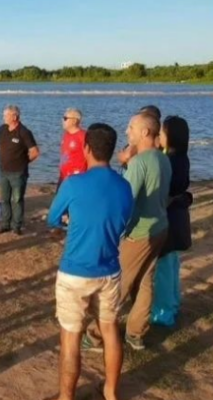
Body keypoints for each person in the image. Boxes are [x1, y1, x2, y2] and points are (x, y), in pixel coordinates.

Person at [47, 124, 134, 400]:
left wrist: (70, 221)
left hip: (75, 271)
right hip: (109, 269)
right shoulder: (124, 186)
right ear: (111, 151)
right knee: (109, 330)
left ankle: (66, 397)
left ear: (86, 148)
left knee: (71, 337)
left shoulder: (73, 184)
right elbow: (125, 223)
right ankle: (111, 392)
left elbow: (52, 218)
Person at [84, 113, 171, 352]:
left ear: (145, 132)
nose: (127, 132)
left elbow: (124, 200)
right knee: (144, 282)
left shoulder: (140, 162)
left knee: (118, 286)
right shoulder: (163, 159)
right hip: (160, 228)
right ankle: (136, 334)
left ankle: (95, 336)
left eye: (131, 127)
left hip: (139, 233)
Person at [151, 116, 192, 326]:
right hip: (178, 219)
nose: (159, 136)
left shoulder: (170, 160)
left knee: (165, 268)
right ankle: (173, 304)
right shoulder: (181, 157)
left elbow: (165, 191)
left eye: (163, 133)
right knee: (172, 264)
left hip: (169, 220)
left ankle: (164, 313)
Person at [0, 105, 40, 235]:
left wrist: (23, 162)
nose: (4, 117)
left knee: (17, 199)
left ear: (14, 116)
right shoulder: (2, 129)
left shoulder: (24, 132)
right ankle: (5, 223)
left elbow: (35, 152)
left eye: (6, 115)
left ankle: (16, 225)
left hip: (18, 173)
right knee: (4, 199)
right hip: (3, 171)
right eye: (4, 115)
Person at [58, 108, 87, 186]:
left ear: (74, 121)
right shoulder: (66, 135)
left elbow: (89, 157)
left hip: (76, 178)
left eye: (65, 118)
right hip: (63, 176)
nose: (62, 121)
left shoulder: (83, 136)